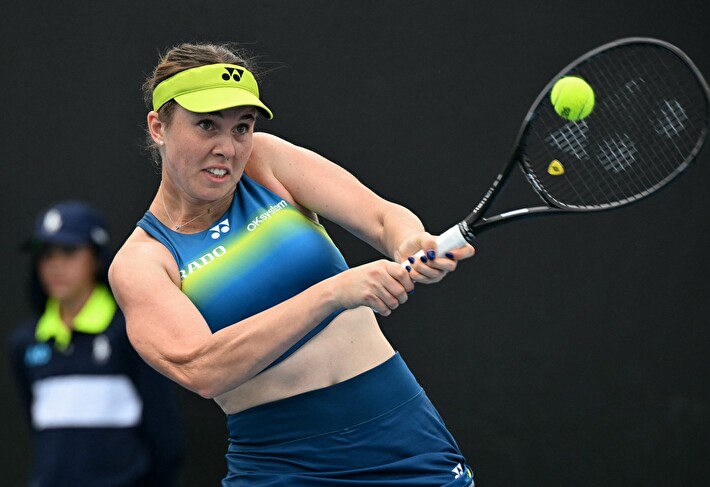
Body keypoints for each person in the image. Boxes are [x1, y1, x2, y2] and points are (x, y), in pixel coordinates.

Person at [109, 41, 476, 486]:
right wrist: (332, 293)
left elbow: (383, 218)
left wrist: (410, 241)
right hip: (281, 470)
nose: (228, 147)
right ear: (158, 127)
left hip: (403, 440)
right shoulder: (143, 261)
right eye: (207, 125)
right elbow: (201, 368)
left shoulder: (265, 162)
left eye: (241, 127)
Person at [8, 201, 184, 487]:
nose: (55, 264)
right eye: (46, 253)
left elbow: (165, 433)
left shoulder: (131, 333)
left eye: (69, 251)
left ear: (96, 258)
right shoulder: (24, 344)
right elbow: (43, 434)